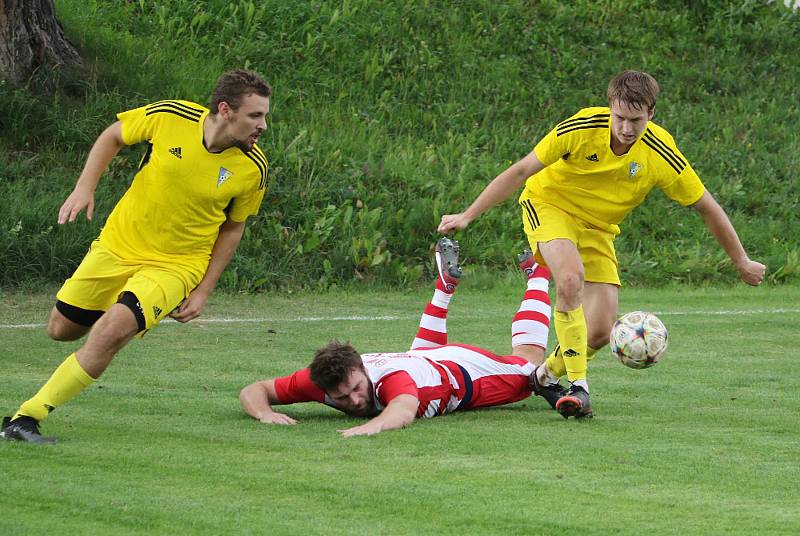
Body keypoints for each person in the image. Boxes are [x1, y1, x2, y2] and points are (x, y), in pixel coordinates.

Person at [438, 70, 766, 419]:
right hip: (550, 205)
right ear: (610, 107)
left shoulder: (660, 153)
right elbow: (522, 171)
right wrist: (468, 214)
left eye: (636, 120)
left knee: (598, 331)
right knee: (568, 279)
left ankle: (544, 376)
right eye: (620, 117)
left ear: (651, 114)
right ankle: (579, 388)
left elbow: (707, 206)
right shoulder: (580, 129)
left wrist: (741, 260)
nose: (626, 128)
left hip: (598, 229)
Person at [1, 70, 273, 443]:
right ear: (225, 110)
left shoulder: (253, 167)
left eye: (265, 116)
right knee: (60, 330)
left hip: (177, 266)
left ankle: (25, 418)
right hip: (118, 245)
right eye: (255, 116)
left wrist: (204, 290)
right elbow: (114, 135)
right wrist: (85, 188)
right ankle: (124, 319)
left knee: (110, 332)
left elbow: (233, 228)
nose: (264, 126)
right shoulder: (171, 117)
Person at [240, 238, 561, 437]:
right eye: (341, 398)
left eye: (355, 388)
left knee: (530, 363)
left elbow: (404, 411)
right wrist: (265, 413)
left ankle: (539, 274)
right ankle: (444, 286)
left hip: (463, 373)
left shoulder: (393, 380)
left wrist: (373, 425)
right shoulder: (319, 378)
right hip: (422, 359)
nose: (353, 400)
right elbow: (254, 390)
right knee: (422, 356)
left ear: (362, 370)